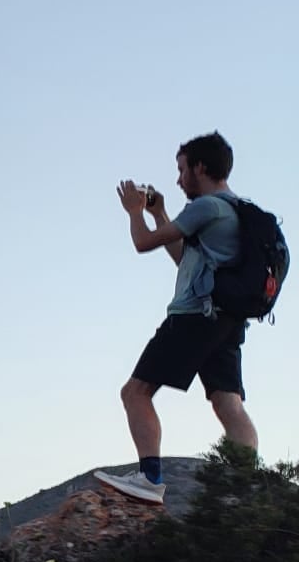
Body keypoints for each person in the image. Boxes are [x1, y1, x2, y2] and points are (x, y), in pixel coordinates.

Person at [95, 132, 260, 504]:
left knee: (135, 393)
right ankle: (247, 488)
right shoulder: (233, 210)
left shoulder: (206, 207)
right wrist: (159, 214)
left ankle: (149, 480)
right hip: (227, 320)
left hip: (192, 317)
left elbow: (143, 243)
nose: (178, 178)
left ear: (200, 167)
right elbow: (183, 259)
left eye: (182, 169)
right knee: (227, 403)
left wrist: (136, 212)